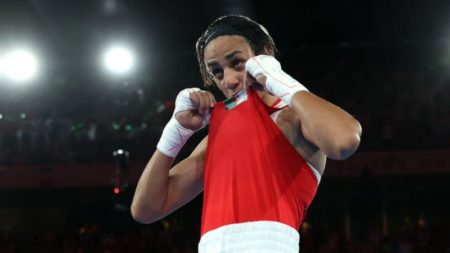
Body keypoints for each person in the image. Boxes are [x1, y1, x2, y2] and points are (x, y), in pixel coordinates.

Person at [131, 15, 362, 252]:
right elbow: (146, 209)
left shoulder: (295, 118)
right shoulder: (217, 136)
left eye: (237, 63)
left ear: (264, 55)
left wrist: (278, 79)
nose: (229, 81)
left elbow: (344, 141)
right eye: (217, 72)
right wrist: (176, 132)